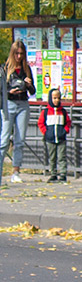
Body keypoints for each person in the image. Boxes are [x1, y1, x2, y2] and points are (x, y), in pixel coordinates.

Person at [1, 41, 35, 184]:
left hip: (23, 104)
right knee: (4, 139)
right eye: (17, 53)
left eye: (21, 54)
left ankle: (16, 171)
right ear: (12, 53)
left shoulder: (26, 69)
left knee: (19, 140)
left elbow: (33, 92)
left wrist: (28, 85)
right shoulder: (4, 69)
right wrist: (10, 91)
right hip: (9, 104)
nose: (19, 56)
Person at [38, 87, 71, 183]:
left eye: (58, 98)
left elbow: (68, 122)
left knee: (62, 157)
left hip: (61, 138)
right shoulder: (46, 112)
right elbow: (41, 123)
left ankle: (63, 174)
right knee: (52, 157)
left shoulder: (63, 112)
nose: (56, 100)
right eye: (54, 98)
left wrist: (65, 130)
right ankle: (53, 174)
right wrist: (46, 132)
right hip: (50, 138)